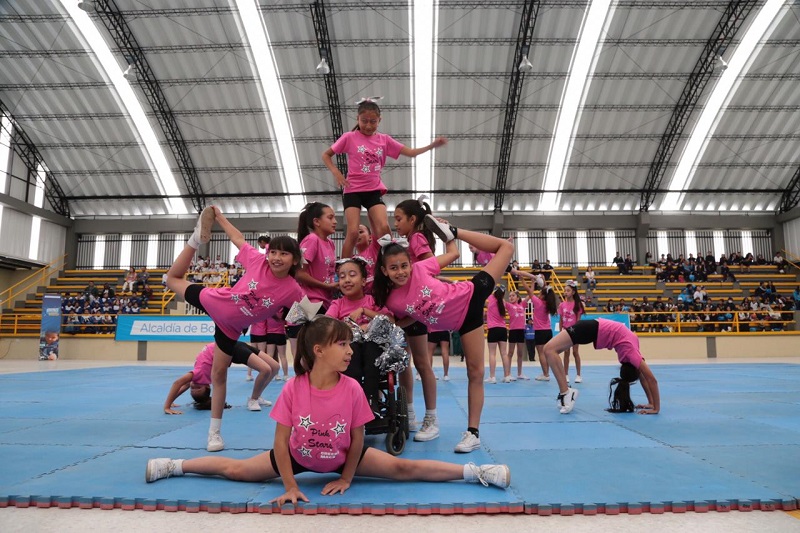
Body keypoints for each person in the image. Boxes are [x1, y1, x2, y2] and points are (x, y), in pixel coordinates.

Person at [145, 316, 510, 501]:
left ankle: (477, 472)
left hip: (341, 456)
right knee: (236, 470)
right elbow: (279, 444)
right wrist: (289, 485)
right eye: (343, 345)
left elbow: (357, 439)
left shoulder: (351, 388)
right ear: (319, 351)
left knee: (403, 467)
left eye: (351, 344)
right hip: (298, 456)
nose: (350, 351)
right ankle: (173, 465)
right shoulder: (293, 388)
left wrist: (347, 477)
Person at [165, 206, 304, 452]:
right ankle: (196, 239)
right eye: (273, 251)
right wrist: (219, 218)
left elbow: (306, 314)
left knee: (219, 376)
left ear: (294, 260)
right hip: (215, 300)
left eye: (284, 254)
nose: (276, 257)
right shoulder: (258, 260)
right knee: (172, 278)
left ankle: (214, 434)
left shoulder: (293, 290)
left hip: (229, 328)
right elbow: (238, 238)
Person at [373, 214, 514, 453]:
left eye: (404, 265)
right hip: (463, 323)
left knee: (506, 247)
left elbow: (454, 255)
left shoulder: (421, 267)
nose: (401, 272)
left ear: (410, 263)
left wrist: (450, 238)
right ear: (385, 271)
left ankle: (473, 432)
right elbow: (407, 317)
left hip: (471, 293)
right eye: (394, 268)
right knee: (474, 371)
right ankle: (473, 434)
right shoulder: (392, 300)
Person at [322, 97, 448, 257]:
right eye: (364, 121)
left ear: (379, 120)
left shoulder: (384, 140)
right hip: (352, 190)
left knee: (384, 229)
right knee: (353, 232)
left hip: (373, 190)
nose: (368, 125)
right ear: (357, 119)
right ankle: (343, 267)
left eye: (373, 121)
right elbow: (326, 155)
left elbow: (411, 153)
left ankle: (390, 261)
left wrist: (432, 145)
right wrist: (336, 173)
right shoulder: (349, 137)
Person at [390, 196, 441, 439]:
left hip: (417, 309)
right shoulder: (407, 241)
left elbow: (429, 266)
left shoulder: (418, 238)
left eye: (399, 219)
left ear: (412, 219)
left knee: (421, 363)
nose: (395, 223)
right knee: (403, 363)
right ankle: (408, 412)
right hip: (405, 308)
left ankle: (431, 418)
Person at [542, 318, 661, 415]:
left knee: (549, 350)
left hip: (591, 328)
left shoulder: (631, 355)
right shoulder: (632, 355)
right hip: (590, 329)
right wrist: (656, 408)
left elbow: (645, 378)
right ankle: (566, 392)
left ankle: (566, 392)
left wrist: (652, 403)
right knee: (549, 350)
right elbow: (651, 380)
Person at [326, 258, 394, 413]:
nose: (347, 280)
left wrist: (365, 312)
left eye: (352, 275)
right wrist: (347, 327)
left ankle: (371, 401)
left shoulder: (372, 300)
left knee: (372, 349)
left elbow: (390, 320)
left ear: (364, 281)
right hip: (350, 351)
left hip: (373, 350)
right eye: (342, 277)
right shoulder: (338, 304)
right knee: (352, 353)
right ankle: (354, 402)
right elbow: (327, 324)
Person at [162, 342, 275, 414]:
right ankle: (253, 399)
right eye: (197, 388)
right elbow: (185, 385)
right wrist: (172, 400)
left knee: (275, 367)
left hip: (230, 345)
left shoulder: (198, 374)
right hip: (230, 351)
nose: (194, 386)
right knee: (266, 370)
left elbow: (178, 384)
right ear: (207, 386)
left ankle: (257, 397)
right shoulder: (199, 378)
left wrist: (167, 405)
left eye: (193, 389)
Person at [288, 202, 338, 358]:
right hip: (308, 302)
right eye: (330, 217)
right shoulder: (311, 240)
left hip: (324, 302)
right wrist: (327, 286)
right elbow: (299, 274)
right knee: (306, 354)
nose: (335, 221)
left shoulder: (330, 243)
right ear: (317, 222)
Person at [513, 270, 558, 382]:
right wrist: (539, 280)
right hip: (548, 331)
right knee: (547, 353)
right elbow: (545, 290)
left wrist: (525, 280)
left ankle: (546, 374)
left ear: (542, 296)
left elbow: (529, 291)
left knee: (541, 353)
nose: (538, 294)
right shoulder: (548, 303)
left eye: (540, 293)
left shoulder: (538, 302)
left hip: (540, 331)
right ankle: (546, 373)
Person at [558, 280, 585, 384]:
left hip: (575, 330)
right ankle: (566, 374)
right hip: (565, 331)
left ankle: (578, 375)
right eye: (565, 290)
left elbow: (578, 320)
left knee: (575, 352)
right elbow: (561, 320)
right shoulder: (562, 305)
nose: (566, 292)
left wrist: (577, 332)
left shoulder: (577, 304)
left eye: (568, 290)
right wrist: (561, 331)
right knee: (566, 353)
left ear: (573, 292)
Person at [485, 285, 510, 384]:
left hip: (493, 329)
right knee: (504, 354)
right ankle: (507, 376)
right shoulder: (503, 302)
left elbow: (487, 296)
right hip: (503, 329)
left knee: (492, 353)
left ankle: (492, 376)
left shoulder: (491, 299)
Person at [505, 290, 529, 380]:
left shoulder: (522, 305)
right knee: (510, 353)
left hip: (521, 331)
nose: (511, 297)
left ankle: (519, 373)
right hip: (513, 331)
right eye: (510, 296)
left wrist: (533, 282)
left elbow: (529, 295)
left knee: (520, 353)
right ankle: (508, 373)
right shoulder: (509, 305)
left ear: (518, 297)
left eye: (513, 295)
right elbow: (501, 300)